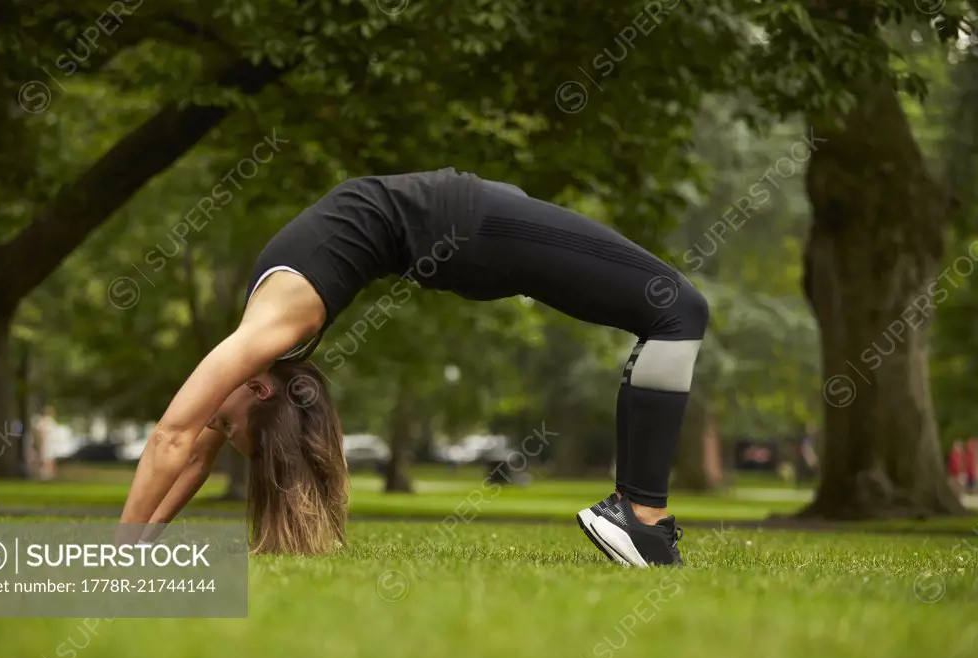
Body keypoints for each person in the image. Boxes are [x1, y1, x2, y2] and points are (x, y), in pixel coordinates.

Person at [118, 168, 709, 565]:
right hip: (476, 232)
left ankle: (637, 514)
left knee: (673, 311)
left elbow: (175, 440)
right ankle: (639, 515)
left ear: (256, 390)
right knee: (677, 309)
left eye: (225, 427)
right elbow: (190, 445)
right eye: (226, 429)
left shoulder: (268, 333)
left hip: (477, 226)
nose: (213, 427)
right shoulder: (270, 336)